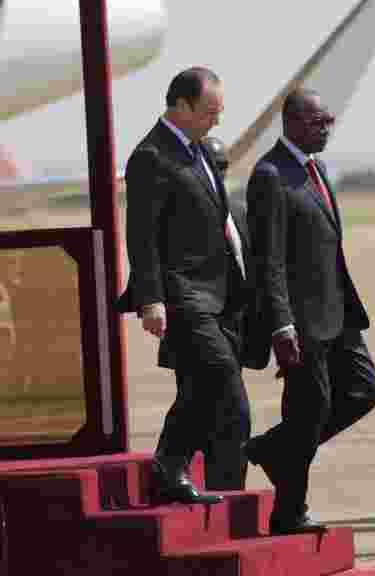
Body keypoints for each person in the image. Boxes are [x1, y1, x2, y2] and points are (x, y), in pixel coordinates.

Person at [243, 89, 375, 535]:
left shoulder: (316, 168)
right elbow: (270, 259)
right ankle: (289, 511)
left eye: (329, 120)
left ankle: (272, 449)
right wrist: (281, 323)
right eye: (319, 120)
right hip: (301, 322)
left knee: (364, 391)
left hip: (338, 313)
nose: (327, 127)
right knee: (309, 410)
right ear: (292, 122)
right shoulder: (270, 174)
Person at [116, 67, 250, 501]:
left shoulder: (201, 152)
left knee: (206, 391)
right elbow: (142, 235)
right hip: (180, 293)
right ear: (181, 106)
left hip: (218, 296)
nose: (217, 120)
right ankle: (170, 464)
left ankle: (183, 477)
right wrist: (151, 299)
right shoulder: (150, 156)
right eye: (209, 111)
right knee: (219, 374)